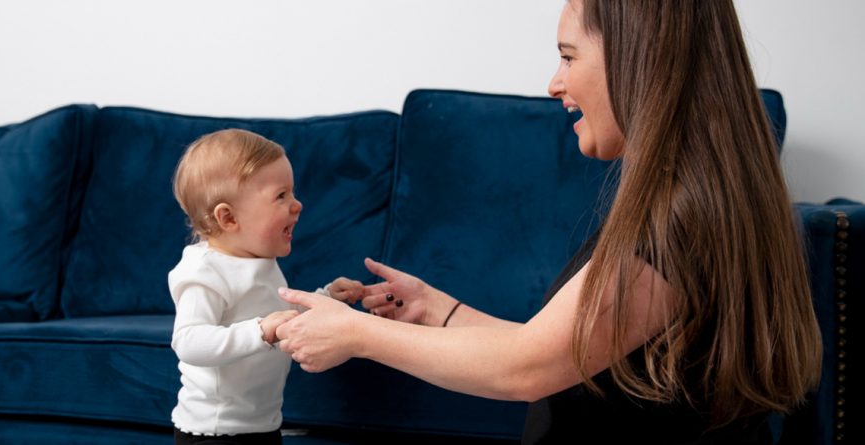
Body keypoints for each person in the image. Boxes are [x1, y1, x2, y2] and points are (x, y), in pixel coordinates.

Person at [273, 1, 823, 443]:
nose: (554, 84)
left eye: (568, 57)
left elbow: (529, 369)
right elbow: (569, 353)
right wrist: (439, 311)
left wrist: (357, 333)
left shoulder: (679, 225)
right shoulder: (698, 207)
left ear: (638, 61)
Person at [168, 128, 363, 445]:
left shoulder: (259, 261)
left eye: (292, 193)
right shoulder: (205, 273)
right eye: (281, 196)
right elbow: (189, 341)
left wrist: (326, 297)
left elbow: (280, 313)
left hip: (261, 424)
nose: (297, 204)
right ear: (229, 219)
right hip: (214, 430)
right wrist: (260, 331)